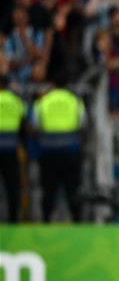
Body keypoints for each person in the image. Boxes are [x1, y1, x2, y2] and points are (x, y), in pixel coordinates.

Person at [31, 76, 86, 222]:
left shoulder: (42, 101)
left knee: (48, 191)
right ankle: (77, 223)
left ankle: (46, 222)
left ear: (52, 84)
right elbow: (83, 126)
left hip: (48, 154)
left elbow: (35, 128)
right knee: (73, 191)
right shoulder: (76, 101)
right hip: (71, 153)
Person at [0, 76, 27, 222]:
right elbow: (24, 122)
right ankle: (13, 220)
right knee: (12, 186)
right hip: (10, 148)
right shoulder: (15, 100)